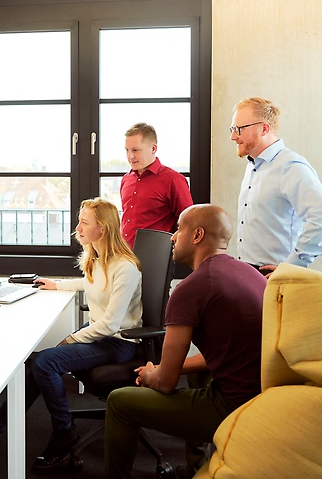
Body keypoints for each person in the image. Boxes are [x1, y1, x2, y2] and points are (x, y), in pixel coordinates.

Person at [0, 197, 143, 475]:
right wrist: (56, 284)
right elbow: (91, 284)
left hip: (119, 343)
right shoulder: (98, 260)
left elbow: (110, 324)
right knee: (35, 362)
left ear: (104, 228)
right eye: (79, 221)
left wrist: (72, 339)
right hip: (101, 338)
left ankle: (63, 433)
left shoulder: (125, 267)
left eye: (85, 222)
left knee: (44, 363)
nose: (78, 228)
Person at [104, 204, 265, 478]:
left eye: (179, 228)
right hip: (262, 394)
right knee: (197, 375)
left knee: (120, 402)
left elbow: (165, 383)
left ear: (197, 235)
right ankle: (195, 469)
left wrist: (152, 373)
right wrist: (170, 369)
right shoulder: (248, 273)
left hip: (234, 405)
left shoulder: (191, 289)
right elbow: (227, 353)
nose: (173, 236)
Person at [230, 97, 322, 277]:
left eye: (238, 129)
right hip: (249, 273)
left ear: (264, 128)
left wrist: (291, 267)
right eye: (233, 129)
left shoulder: (291, 167)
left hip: (275, 276)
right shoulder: (253, 166)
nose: (233, 136)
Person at [120, 122, 193, 247]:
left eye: (135, 150)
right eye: (127, 150)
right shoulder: (126, 179)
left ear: (153, 149)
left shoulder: (173, 180)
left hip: (158, 256)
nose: (130, 156)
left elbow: (189, 223)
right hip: (124, 255)